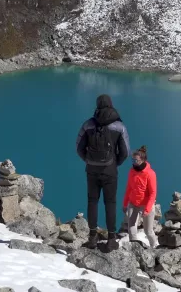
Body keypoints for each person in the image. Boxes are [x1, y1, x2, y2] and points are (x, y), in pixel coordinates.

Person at [76, 94, 130, 251]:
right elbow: (125, 152)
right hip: (110, 171)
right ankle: (111, 239)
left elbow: (78, 147)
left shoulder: (88, 124)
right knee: (110, 203)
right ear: (111, 105)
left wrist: (88, 160)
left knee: (92, 201)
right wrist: (115, 163)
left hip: (91, 170)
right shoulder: (119, 126)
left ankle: (92, 237)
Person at [123, 145, 159, 248]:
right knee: (131, 227)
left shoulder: (150, 173)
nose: (134, 162)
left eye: (136, 160)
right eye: (133, 160)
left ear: (143, 160)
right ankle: (135, 248)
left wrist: (147, 209)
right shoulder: (131, 171)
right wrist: (125, 203)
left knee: (148, 231)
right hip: (133, 204)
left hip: (146, 205)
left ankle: (154, 247)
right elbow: (129, 188)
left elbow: (153, 193)